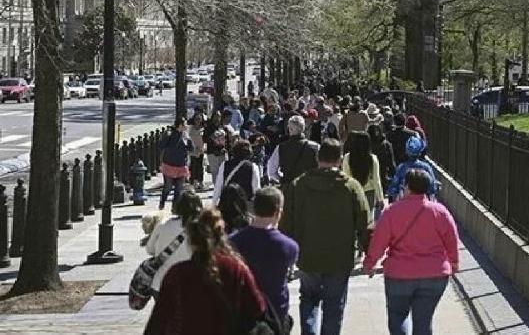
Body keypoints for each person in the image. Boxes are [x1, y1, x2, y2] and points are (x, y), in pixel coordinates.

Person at [283, 139, 370, 335]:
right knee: (334, 304)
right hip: (340, 257)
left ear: (317, 158)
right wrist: (369, 253)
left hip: (308, 255)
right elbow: (364, 223)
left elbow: (286, 222)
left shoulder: (300, 185)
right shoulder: (351, 187)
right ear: (340, 160)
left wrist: (285, 255)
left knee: (309, 299)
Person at [364, 170, 459, 335]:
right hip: (434, 274)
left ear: (406, 187)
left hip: (399, 274)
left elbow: (378, 242)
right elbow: (452, 238)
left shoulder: (391, 212)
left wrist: (370, 264)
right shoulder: (440, 211)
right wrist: (454, 262)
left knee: (398, 316)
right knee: (424, 320)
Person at [145, 209, 267, 335]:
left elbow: (158, 321)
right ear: (220, 236)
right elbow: (258, 308)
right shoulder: (235, 268)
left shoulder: (176, 273)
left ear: (191, 241)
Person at [230, 187, 299, 332]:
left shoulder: (234, 242)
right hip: (276, 312)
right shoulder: (289, 246)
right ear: (278, 212)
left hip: (244, 313)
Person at [140, 190, 203, 297]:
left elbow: (149, 249)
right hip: (190, 285)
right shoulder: (201, 229)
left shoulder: (163, 224)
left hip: (161, 284)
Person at [342, 131, 385, 221]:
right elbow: (376, 180)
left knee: (354, 219)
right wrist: (380, 198)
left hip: (353, 192)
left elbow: (345, 178)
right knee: (368, 220)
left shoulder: (347, 158)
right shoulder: (373, 159)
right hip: (369, 192)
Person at [157, 117, 194, 210]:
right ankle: (162, 203)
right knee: (168, 186)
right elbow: (161, 145)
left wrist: (189, 139)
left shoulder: (185, 136)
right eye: (185, 124)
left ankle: (175, 208)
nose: (186, 126)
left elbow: (191, 148)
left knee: (179, 188)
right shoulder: (170, 134)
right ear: (180, 125)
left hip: (181, 165)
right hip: (169, 165)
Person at [388, 137, 437, 202]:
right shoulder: (426, 167)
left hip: (405, 204)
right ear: (420, 152)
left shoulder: (402, 167)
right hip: (423, 202)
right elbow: (432, 187)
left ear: (407, 152)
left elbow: (394, 187)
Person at [213, 139, 262, 205]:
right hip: (245, 205)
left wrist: (214, 203)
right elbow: (256, 189)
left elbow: (218, 186)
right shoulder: (253, 167)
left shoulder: (225, 165)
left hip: (228, 203)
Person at [368, 124, 396, 196]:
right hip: (383, 173)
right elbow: (391, 162)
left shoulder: (367, 144)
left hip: (369, 176)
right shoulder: (386, 144)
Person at [205, 110, 228, 187]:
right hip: (212, 152)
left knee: (223, 171)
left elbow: (227, 139)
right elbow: (204, 139)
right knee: (215, 171)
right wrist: (212, 137)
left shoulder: (223, 127)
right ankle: (216, 187)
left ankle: (222, 187)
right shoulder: (208, 127)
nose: (217, 118)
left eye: (219, 116)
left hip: (222, 152)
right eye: (215, 116)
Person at [188, 111, 206, 190]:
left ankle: (200, 181)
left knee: (200, 166)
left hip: (201, 150)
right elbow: (188, 138)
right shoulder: (190, 128)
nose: (198, 121)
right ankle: (193, 181)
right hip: (192, 150)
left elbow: (205, 140)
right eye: (196, 119)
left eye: (199, 119)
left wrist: (203, 148)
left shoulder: (203, 129)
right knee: (193, 166)